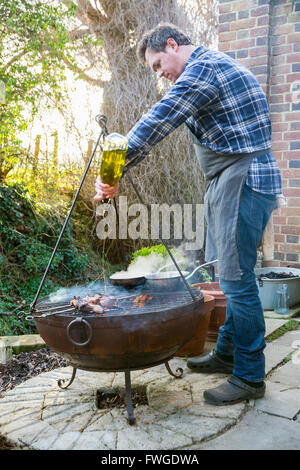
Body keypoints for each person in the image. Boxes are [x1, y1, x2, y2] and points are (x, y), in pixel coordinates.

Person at [94, 23, 282, 406]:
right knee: (223, 272)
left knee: (237, 280)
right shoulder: (207, 70)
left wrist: (115, 165)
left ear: (174, 45)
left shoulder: (203, 68)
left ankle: (249, 376)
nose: (159, 73)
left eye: (158, 63)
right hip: (229, 181)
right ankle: (228, 353)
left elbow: (162, 117)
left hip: (244, 181)